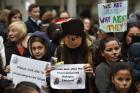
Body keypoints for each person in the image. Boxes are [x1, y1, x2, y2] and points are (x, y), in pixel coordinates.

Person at [48, 19, 95, 93]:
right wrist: (50, 72)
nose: (72, 40)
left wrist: (91, 74)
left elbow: (97, 77)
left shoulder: (90, 50)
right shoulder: (58, 50)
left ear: (82, 38)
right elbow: (53, 67)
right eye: (69, 37)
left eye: (76, 37)